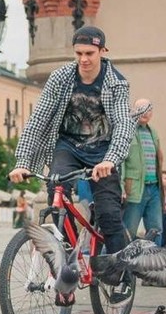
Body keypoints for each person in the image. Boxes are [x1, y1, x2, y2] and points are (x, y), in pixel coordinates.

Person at [9, 26, 135, 256]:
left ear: (102, 51)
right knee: (56, 191)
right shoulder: (61, 77)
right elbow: (39, 118)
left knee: (109, 214)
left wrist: (111, 160)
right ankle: (69, 253)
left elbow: (123, 124)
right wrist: (22, 160)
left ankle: (120, 269)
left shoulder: (117, 83)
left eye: (89, 53)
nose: (84, 59)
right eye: (79, 54)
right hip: (68, 147)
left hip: (103, 151)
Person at [121, 98, 164, 246]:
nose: (144, 112)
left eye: (148, 109)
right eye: (140, 108)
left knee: (156, 229)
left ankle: (154, 265)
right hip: (135, 189)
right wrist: (121, 187)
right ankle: (122, 266)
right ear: (133, 110)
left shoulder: (154, 133)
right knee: (128, 230)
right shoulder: (127, 131)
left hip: (154, 188)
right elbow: (121, 162)